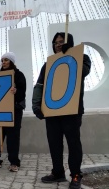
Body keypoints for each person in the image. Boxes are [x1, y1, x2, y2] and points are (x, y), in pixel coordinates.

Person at [32, 32, 91, 189]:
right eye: (56, 42)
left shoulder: (82, 57)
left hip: (72, 110)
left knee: (73, 144)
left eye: (61, 42)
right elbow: (39, 85)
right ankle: (58, 172)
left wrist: (70, 55)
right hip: (52, 111)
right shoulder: (48, 64)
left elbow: (83, 72)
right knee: (54, 144)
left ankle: (76, 175)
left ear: (69, 43)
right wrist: (36, 105)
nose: (58, 44)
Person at [0, 52, 26, 172]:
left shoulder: (19, 75)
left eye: (6, 60)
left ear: (12, 61)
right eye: (2, 60)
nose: (3, 62)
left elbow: (22, 93)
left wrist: (16, 91)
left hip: (14, 110)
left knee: (13, 137)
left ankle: (14, 162)